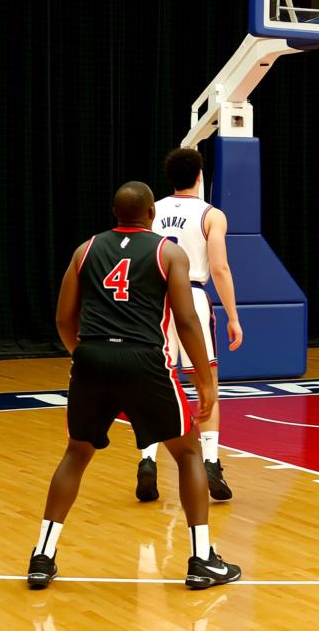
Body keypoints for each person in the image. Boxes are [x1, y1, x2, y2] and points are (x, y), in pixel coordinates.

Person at [27, 182, 241, 590]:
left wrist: (81, 353)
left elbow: (62, 318)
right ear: (150, 216)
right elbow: (186, 320)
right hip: (145, 361)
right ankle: (201, 559)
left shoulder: (84, 250)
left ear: (114, 211)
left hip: (91, 358)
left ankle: (42, 555)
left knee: (76, 453)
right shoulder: (167, 252)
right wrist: (206, 380)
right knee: (190, 452)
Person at [136, 148, 243, 503]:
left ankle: (147, 460)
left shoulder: (153, 210)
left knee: (153, 383)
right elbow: (221, 268)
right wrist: (233, 315)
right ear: (200, 176)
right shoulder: (212, 215)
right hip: (193, 297)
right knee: (205, 380)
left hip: (155, 299)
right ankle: (211, 462)